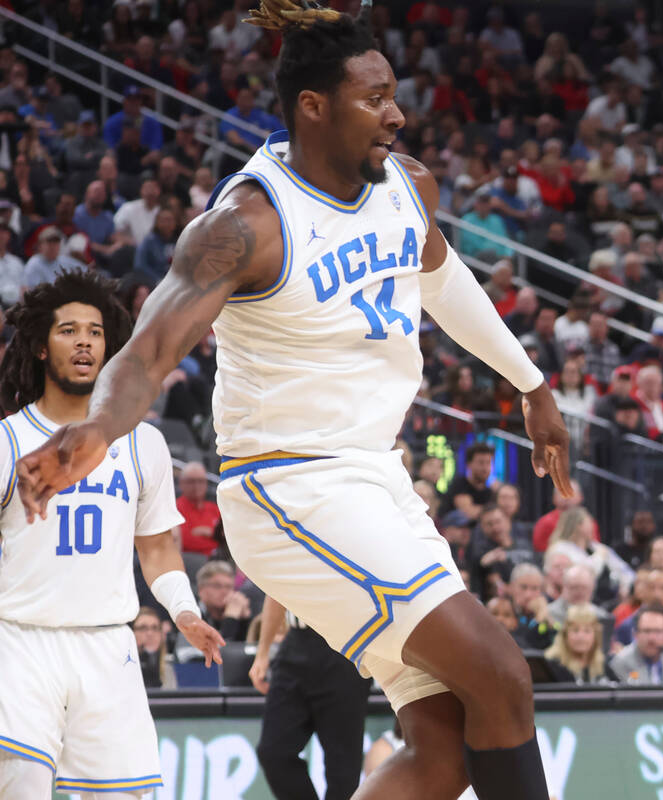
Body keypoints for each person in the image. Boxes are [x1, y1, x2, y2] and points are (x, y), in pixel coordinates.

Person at [14, 6, 572, 800]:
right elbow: (148, 352)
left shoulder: (408, 186)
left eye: (393, 95)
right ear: (313, 106)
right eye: (374, 99)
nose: (397, 114)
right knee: (501, 672)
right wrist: (98, 427)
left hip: (374, 478)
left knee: (444, 748)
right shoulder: (247, 223)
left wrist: (531, 384)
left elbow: (444, 281)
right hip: (288, 486)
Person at [0, 271, 223, 799]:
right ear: (38, 347)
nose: (84, 341)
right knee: (21, 787)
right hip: (19, 640)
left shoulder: (143, 443)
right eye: (68, 330)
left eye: (95, 332)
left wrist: (184, 611)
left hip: (107, 645)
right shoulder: (9, 441)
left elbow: (158, 548)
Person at [248, 597, 371, 800]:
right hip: (296, 641)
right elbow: (274, 594)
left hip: (345, 647)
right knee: (273, 753)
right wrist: (263, 653)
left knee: (343, 769)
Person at [609, 606, 663, 686]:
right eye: (646, 631)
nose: (651, 638)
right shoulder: (620, 663)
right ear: (635, 634)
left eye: (658, 631)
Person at [543, 604, 613, 684]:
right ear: (565, 635)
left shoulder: (601, 663)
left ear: (595, 636)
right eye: (575, 630)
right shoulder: (552, 665)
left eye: (587, 631)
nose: (581, 636)